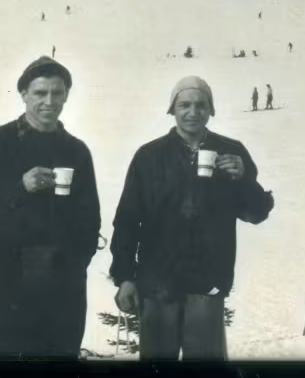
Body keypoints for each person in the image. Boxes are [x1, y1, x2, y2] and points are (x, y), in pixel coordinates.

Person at [109, 76, 274, 361]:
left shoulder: (231, 151)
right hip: (157, 281)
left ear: (211, 110)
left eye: (201, 105)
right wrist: (124, 276)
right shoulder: (149, 157)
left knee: (205, 373)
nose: (193, 112)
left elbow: (257, 213)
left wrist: (243, 179)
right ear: (172, 109)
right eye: (184, 104)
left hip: (207, 280)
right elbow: (126, 220)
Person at [0, 57, 101, 360]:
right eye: (40, 93)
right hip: (2, 279)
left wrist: (73, 267)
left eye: (57, 93)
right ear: (23, 94)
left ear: (66, 95)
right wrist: (18, 187)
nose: (49, 102)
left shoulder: (76, 150)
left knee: (56, 373)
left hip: (62, 286)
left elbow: (90, 220)